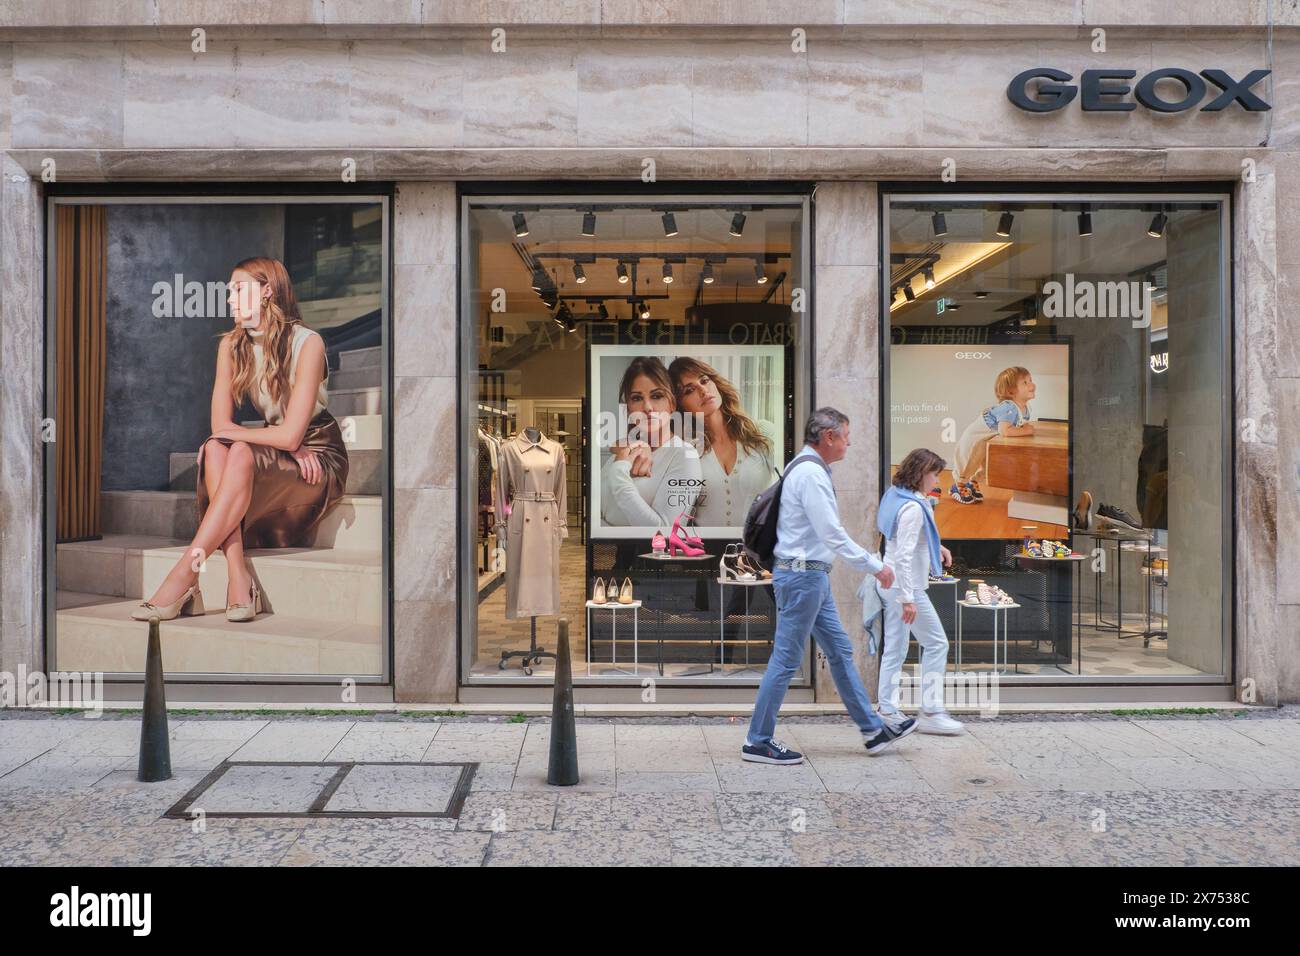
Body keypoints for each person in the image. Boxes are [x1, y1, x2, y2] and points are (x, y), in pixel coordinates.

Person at [131, 257, 349, 623]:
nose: (229, 299)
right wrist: (279, 439)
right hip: (274, 449)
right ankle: (238, 575)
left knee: (237, 447)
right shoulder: (231, 347)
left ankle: (185, 574)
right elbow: (219, 428)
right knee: (217, 449)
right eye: (229, 292)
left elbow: (294, 433)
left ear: (266, 291)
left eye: (238, 290)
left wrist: (286, 440)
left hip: (317, 454)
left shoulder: (307, 343)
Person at [743, 407, 916, 764]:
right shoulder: (810, 474)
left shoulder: (808, 468)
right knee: (786, 659)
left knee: (838, 650)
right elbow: (832, 534)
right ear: (828, 437)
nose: (849, 444)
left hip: (811, 576)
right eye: (846, 437)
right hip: (803, 577)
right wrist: (876, 566)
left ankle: (872, 730)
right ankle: (757, 740)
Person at [876, 448, 965, 735]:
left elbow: (899, 538)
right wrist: (908, 599)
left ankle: (887, 709)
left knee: (896, 647)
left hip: (890, 581)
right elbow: (904, 555)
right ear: (921, 473)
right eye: (934, 474)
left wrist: (935, 547)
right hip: (906, 586)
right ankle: (931, 710)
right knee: (937, 643)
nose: (936, 481)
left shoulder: (895, 494)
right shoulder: (914, 507)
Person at [669, 357, 778, 529]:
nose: (703, 390)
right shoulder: (685, 449)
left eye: (705, 380)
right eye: (689, 390)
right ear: (680, 405)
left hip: (760, 550)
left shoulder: (763, 433)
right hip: (705, 553)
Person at [600, 356, 701, 528]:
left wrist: (618, 475)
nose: (647, 407)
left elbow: (665, 531)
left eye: (656, 396)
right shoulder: (624, 451)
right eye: (637, 398)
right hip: (612, 554)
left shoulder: (685, 455)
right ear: (629, 408)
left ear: (672, 404)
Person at [950, 365, 1037, 505]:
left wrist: (1023, 428)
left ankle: (971, 483)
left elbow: (1014, 426)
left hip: (989, 439)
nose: (1032, 384)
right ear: (1011, 391)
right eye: (1025, 382)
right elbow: (1005, 431)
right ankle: (958, 486)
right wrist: (1026, 430)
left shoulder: (1024, 408)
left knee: (987, 463)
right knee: (967, 460)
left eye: (1030, 380)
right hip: (975, 438)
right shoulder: (1009, 407)